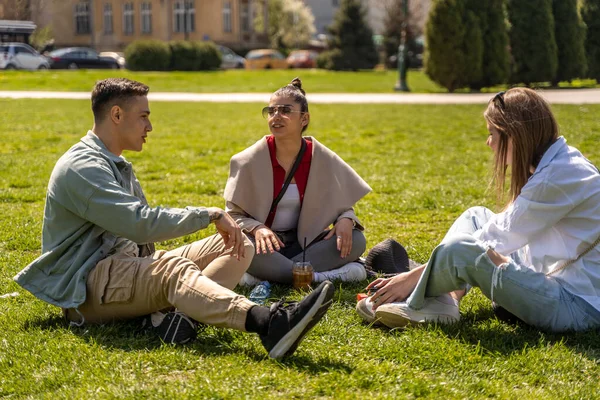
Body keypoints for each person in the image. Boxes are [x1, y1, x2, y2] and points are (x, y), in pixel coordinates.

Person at [13, 78, 335, 359]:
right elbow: (139, 223)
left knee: (239, 243)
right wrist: (208, 215)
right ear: (116, 115)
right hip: (87, 289)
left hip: (124, 268)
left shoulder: (113, 161)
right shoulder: (82, 168)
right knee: (174, 270)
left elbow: (139, 239)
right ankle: (270, 324)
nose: (149, 127)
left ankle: (179, 323)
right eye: (144, 118)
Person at [357, 87, 600, 332]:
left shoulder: (560, 176)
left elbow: (495, 239)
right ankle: (447, 301)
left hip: (576, 306)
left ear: (514, 134)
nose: (489, 143)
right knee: (476, 216)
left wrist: (411, 277)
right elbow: (501, 230)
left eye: (493, 133)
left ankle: (422, 299)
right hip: (548, 279)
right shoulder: (557, 164)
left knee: (462, 248)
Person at [223, 78, 372, 285]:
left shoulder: (322, 158)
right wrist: (258, 228)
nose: (276, 116)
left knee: (356, 240)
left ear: (304, 118)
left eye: (285, 110)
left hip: (306, 244)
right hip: (265, 247)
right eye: (271, 110)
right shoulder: (246, 160)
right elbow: (232, 217)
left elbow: (342, 205)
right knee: (241, 245)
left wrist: (345, 219)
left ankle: (264, 278)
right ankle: (319, 276)